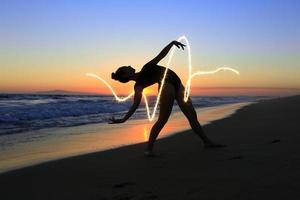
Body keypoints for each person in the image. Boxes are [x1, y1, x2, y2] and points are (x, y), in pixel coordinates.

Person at [109, 40, 225, 156]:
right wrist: (124, 119)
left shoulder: (147, 66)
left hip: (178, 84)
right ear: (126, 75)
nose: (129, 66)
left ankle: (206, 142)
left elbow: (161, 55)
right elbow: (135, 104)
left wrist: (171, 44)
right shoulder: (138, 85)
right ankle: (148, 150)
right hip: (166, 87)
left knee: (192, 116)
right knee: (162, 120)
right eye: (126, 68)